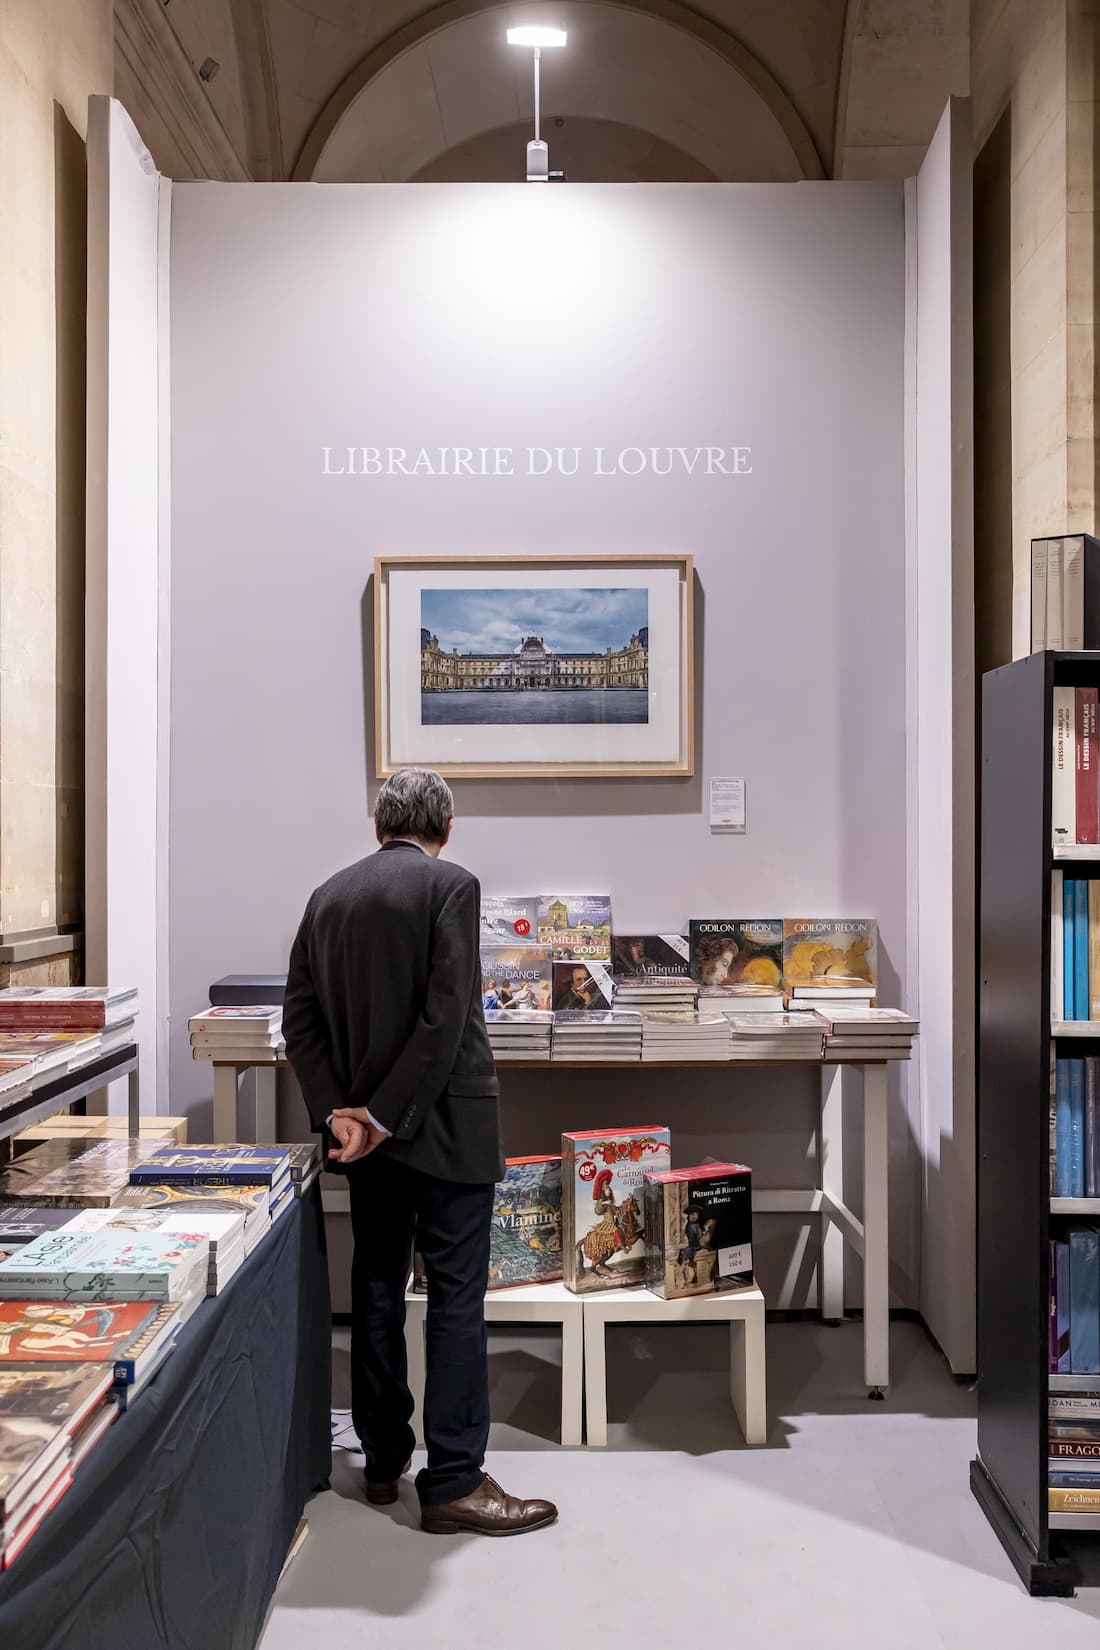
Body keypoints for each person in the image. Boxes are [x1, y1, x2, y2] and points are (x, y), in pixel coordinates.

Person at [283, 767, 556, 1537]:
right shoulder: (452, 887)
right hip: (441, 1129)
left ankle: (379, 1462)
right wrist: (383, 1113)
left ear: (379, 825)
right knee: (456, 1298)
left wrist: (343, 1113)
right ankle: (455, 1482)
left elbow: (297, 1020)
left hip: (361, 1141)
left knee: (374, 1284)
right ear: (445, 827)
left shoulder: (328, 896)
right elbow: (444, 1023)